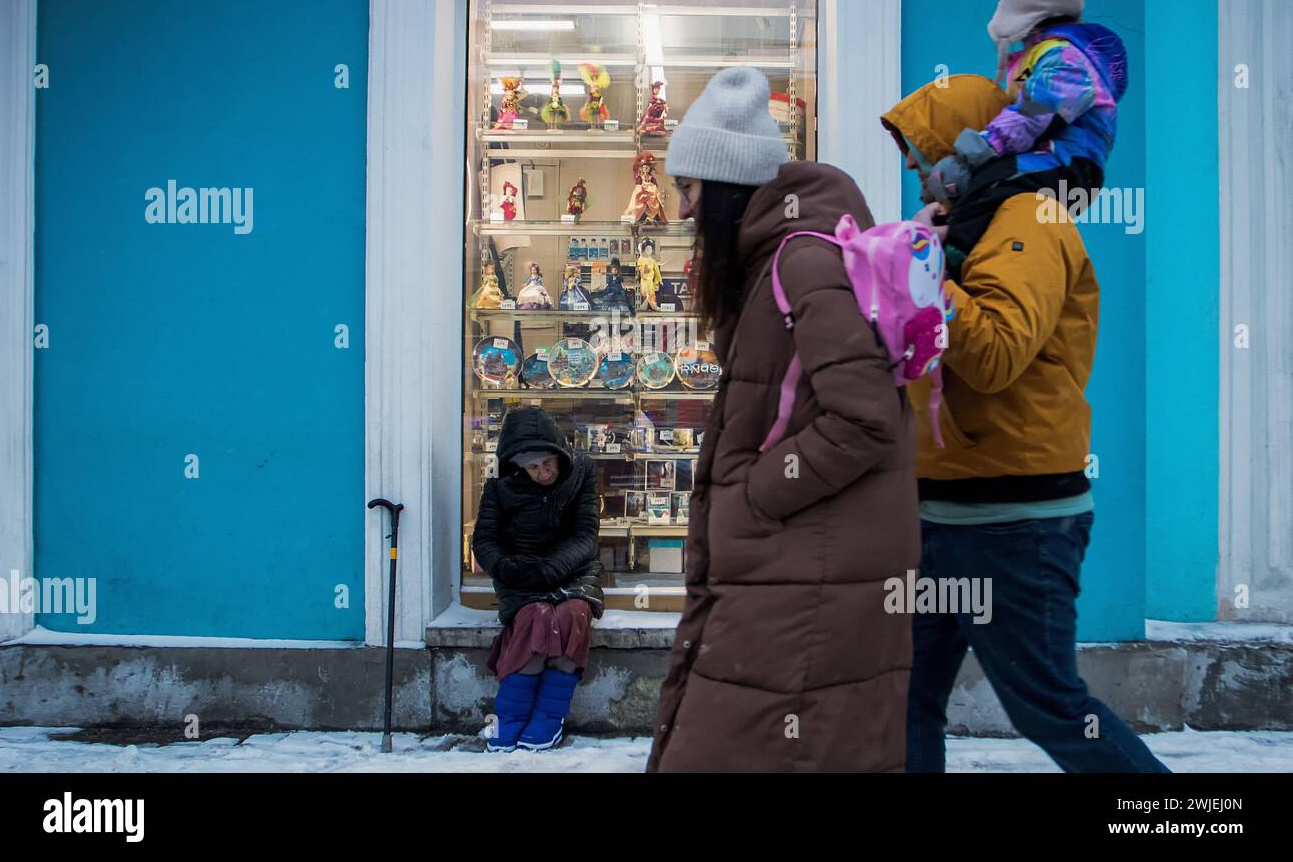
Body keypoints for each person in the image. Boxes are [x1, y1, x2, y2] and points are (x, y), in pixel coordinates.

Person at [881, 73, 1168, 773]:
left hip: (1016, 522)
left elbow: (996, 355)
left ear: (969, 152)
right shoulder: (969, 229)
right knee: (901, 696)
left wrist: (920, 277)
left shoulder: (1030, 224)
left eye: (923, 161)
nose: (918, 181)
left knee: (1047, 704)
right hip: (943, 511)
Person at [646, 66, 920, 772]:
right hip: (792, 573)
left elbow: (864, 419)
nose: (681, 211)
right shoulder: (781, 256)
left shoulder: (802, 260)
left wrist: (756, 495)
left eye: (689, 188)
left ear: (726, 188)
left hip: (801, 581)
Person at [921, 0, 1128, 283]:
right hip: (1054, 163)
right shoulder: (1047, 53)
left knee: (995, 185)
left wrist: (977, 151)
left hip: (1067, 166)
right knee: (988, 189)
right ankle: (956, 240)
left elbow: (1035, 114)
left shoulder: (1066, 59)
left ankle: (952, 258)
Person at [471, 405, 604, 752]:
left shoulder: (582, 472)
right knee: (536, 620)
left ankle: (548, 717)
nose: (543, 472)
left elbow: (586, 534)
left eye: (549, 463)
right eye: (533, 467)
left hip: (574, 572)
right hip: (522, 576)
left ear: (561, 454)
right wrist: (507, 569)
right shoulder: (499, 488)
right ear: (517, 466)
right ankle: (507, 719)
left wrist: (553, 569)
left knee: (572, 617)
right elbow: (485, 539)